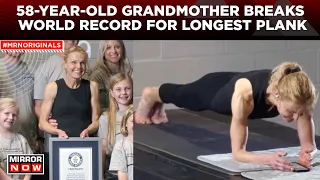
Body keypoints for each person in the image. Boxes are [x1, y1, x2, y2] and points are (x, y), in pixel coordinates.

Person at [135, 62, 317, 171]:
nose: (295, 117)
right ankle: (150, 94)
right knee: (183, 96)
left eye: (299, 113)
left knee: (183, 95)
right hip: (215, 90)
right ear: (277, 94)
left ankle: (156, 99)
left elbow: (309, 147)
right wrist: (266, 159)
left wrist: (306, 155)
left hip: (234, 79)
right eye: (292, 112)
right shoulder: (245, 95)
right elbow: (238, 153)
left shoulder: (298, 94)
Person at [39, 45, 99, 138]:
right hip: (59, 144)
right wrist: (57, 132)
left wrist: (88, 130)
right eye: (74, 62)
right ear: (65, 64)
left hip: (85, 144)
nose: (78, 66)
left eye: (82, 63)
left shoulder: (92, 87)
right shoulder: (52, 87)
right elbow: (42, 123)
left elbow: (95, 122)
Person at [98, 73, 133, 179]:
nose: (123, 92)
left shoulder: (137, 114)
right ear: (112, 93)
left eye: (127, 88)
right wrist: (100, 175)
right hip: (114, 174)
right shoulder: (105, 118)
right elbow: (103, 148)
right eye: (118, 89)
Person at [90, 40, 133, 113]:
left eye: (117, 47)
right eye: (108, 48)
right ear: (102, 52)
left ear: (122, 49)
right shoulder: (98, 75)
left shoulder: (129, 71)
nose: (113, 51)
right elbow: (98, 107)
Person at [0, 98, 33, 180]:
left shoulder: (21, 140)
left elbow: (30, 164)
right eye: (6, 113)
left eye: (14, 115)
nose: (11, 117)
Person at [109, 104, 134, 180]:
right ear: (125, 123)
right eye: (133, 121)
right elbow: (122, 175)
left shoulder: (150, 145)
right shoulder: (121, 146)